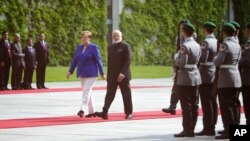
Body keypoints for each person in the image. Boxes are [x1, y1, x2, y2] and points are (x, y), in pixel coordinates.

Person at [95, 30, 133, 120]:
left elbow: (128, 61)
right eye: (114, 35)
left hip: (123, 76)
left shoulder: (125, 46)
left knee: (126, 94)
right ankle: (105, 112)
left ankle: (129, 113)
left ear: (121, 36)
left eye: (117, 35)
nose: (116, 37)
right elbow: (110, 63)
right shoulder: (110, 47)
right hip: (112, 76)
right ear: (112, 37)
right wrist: (108, 77)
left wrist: (122, 73)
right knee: (109, 94)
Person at [67, 31, 105, 118]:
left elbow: (98, 60)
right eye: (82, 37)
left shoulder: (94, 47)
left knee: (86, 91)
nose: (83, 39)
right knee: (88, 92)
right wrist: (70, 71)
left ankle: (82, 109)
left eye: (85, 37)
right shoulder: (79, 47)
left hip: (91, 73)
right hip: (82, 73)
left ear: (89, 38)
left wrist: (102, 73)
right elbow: (75, 60)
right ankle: (92, 112)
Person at [162, 19, 197, 115]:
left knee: (189, 89)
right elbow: (177, 51)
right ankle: (172, 106)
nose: (181, 28)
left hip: (188, 65)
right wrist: (175, 65)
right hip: (180, 63)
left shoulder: (193, 36)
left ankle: (191, 106)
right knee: (175, 86)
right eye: (181, 26)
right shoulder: (179, 37)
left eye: (183, 26)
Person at [214, 23, 242, 140]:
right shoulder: (237, 44)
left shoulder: (225, 44)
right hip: (236, 77)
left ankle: (229, 130)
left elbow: (217, 62)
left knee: (226, 106)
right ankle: (235, 129)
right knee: (234, 104)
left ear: (224, 32)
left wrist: (215, 57)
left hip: (226, 79)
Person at [173, 22, 201, 137]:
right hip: (195, 75)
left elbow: (182, 63)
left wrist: (175, 58)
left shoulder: (185, 46)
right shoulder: (197, 45)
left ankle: (187, 129)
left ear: (184, 32)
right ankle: (192, 128)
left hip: (185, 78)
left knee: (186, 105)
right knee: (194, 104)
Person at [195, 22, 218, 136]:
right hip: (213, 72)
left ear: (205, 30)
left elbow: (202, 59)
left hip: (205, 73)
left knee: (206, 102)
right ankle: (212, 125)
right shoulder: (217, 41)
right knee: (213, 101)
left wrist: (198, 50)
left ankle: (208, 128)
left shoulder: (206, 42)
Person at [239, 23, 250, 125]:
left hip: (247, 78)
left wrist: (239, 59)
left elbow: (245, 60)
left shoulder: (248, 44)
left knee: (247, 103)